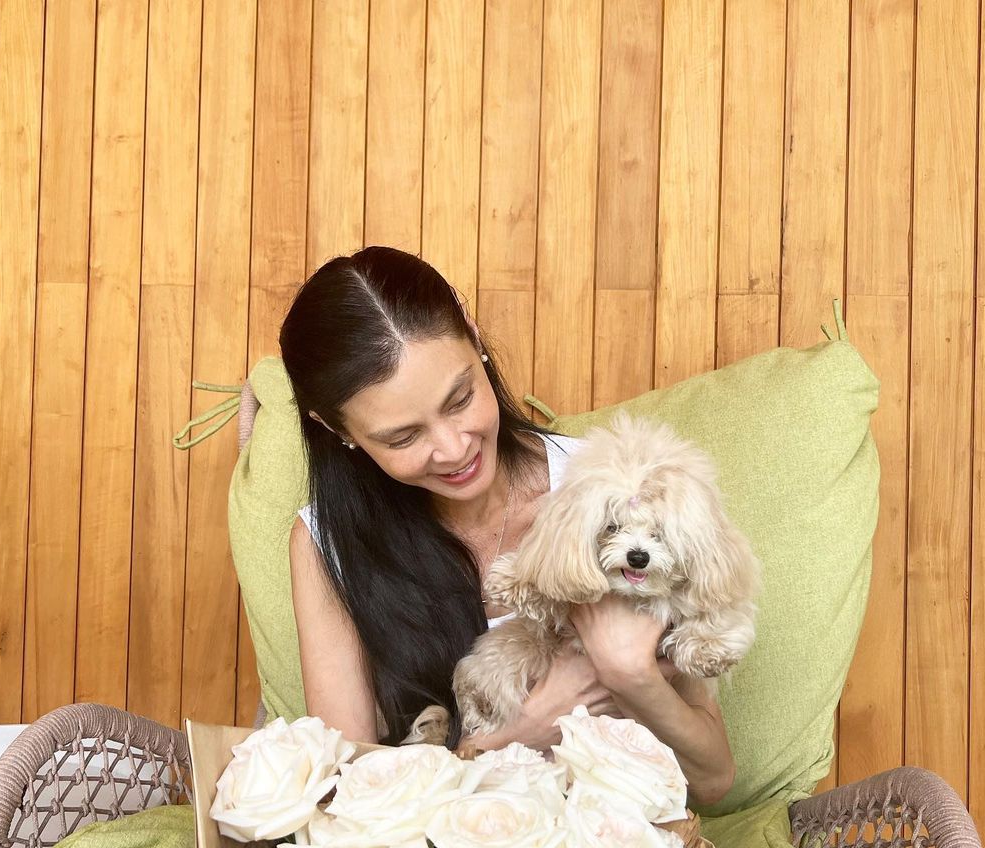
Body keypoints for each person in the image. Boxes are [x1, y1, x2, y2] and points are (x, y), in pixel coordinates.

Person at [282, 246, 734, 805]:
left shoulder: (611, 494)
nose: (453, 449)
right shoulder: (328, 544)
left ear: (475, 339)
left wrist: (629, 676)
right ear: (337, 431)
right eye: (404, 437)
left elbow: (713, 781)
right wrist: (522, 731)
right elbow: (348, 795)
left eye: (460, 399)